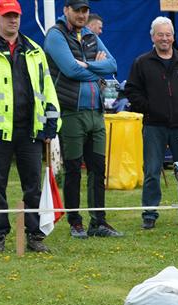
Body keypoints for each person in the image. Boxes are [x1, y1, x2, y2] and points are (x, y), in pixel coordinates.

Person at [0, 0, 60, 253]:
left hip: (30, 131)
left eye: (15, 16)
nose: (12, 20)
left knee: (33, 187)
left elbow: (48, 89)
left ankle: (35, 236)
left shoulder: (35, 50)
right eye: (7, 16)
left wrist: (51, 122)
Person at [44, 0, 122, 238]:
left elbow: (113, 64)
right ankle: (75, 221)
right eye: (77, 10)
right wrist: (96, 67)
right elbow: (70, 70)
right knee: (73, 169)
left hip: (96, 112)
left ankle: (98, 221)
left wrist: (87, 64)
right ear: (66, 10)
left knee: (98, 169)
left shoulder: (89, 34)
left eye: (85, 10)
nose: (81, 14)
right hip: (71, 112)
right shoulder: (56, 35)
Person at [125, 16, 178, 230]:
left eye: (168, 34)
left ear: (173, 37)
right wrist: (149, 107)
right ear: (153, 37)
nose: (164, 38)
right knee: (151, 169)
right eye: (160, 34)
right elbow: (132, 90)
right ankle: (149, 213)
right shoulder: (141, 62)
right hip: (153, 126)